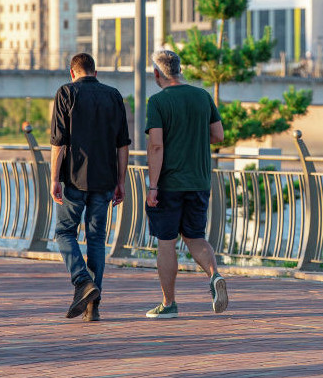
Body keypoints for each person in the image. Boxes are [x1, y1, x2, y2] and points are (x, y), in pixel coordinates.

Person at [144, 49, 227, 318]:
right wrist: (192, 137)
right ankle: (214, 276)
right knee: (195, 237)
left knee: (166, 242)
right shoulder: (202, 96)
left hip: (169, 184)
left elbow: (156, 146)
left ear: (157, 73)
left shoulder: (157, 102)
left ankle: (168, 304)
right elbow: (218, 135)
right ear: (179, 69)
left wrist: (153, 185)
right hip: (200, 181)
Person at [50, 53, 130, 321]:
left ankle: (82, 280)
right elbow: (122, 144)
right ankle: (92, 306)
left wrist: (53, 179)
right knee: (96, 238)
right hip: (105, 178)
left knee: (64, 232)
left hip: (74, 178)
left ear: (72, 73)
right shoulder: (113, 95)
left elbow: (59, 142)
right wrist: (121, 181)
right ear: (95, 72)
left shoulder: (66, 93)